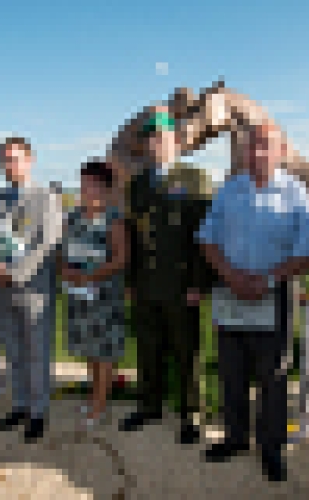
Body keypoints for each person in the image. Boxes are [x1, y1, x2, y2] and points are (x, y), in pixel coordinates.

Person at [196, 121, 309, 480]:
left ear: (281, 151)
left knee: (273, 374)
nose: (256, 153)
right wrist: (229, 274)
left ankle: (271, 446)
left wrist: (268, 279)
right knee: (231, 371)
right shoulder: (229, 189)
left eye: (265, 145)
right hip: (230, 290)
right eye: (251, 146)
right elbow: (207, 238)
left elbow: (308, 250)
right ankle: (234, 437)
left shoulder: (295, 193)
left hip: (274, 293)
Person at [118, 108, 214, 445]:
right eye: (151, 138)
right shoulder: (137, 183)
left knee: (187, 351)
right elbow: (132, 233)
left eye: (162, 137)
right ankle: (149, 405)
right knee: (148, 347)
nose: (156, 143)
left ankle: (192, 414)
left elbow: (204, 234)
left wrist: (199, 283)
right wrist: (130, 280)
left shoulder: (194, 177)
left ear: (176, 141)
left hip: (181, 282)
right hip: (146, 280)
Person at [0, 136, 62, 441]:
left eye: (15, 159)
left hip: (33, 289)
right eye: (5, 160)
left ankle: (38, 412)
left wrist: (14, 273)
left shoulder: (46, 197)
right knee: (13, 351)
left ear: (30, 160)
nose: (10, 165)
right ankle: (19, 405)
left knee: (36, 352)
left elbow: (47, 243)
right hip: (2, 290)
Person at [59, 159, 128, 429]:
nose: (86, 188)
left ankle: (100, 407)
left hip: (104, 296)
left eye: (91, 184)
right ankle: (93, 397)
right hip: (79, 294)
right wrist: (64, 268)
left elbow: (121, 258)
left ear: (105, 188)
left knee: (104, 353)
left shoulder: (114, 219)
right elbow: (63, 250)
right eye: (83, 183)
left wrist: (90, 276)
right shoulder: (73, 217)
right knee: (89, 348)